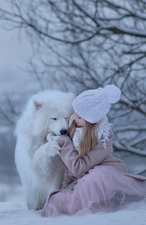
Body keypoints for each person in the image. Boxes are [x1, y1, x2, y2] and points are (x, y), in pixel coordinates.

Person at [41, 84, 146, 217]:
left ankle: (107, 200)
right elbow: (69, 168)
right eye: (74, 114)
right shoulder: (74, 126)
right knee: (57, 200)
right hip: (82, 181)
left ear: (91, 121)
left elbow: (78, 167)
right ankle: (90, 200)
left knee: (95, 177)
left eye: (79, 117)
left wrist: (63, 142)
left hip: (105, 178)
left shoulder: (103, 138)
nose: (74, 118)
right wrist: (65, 188)